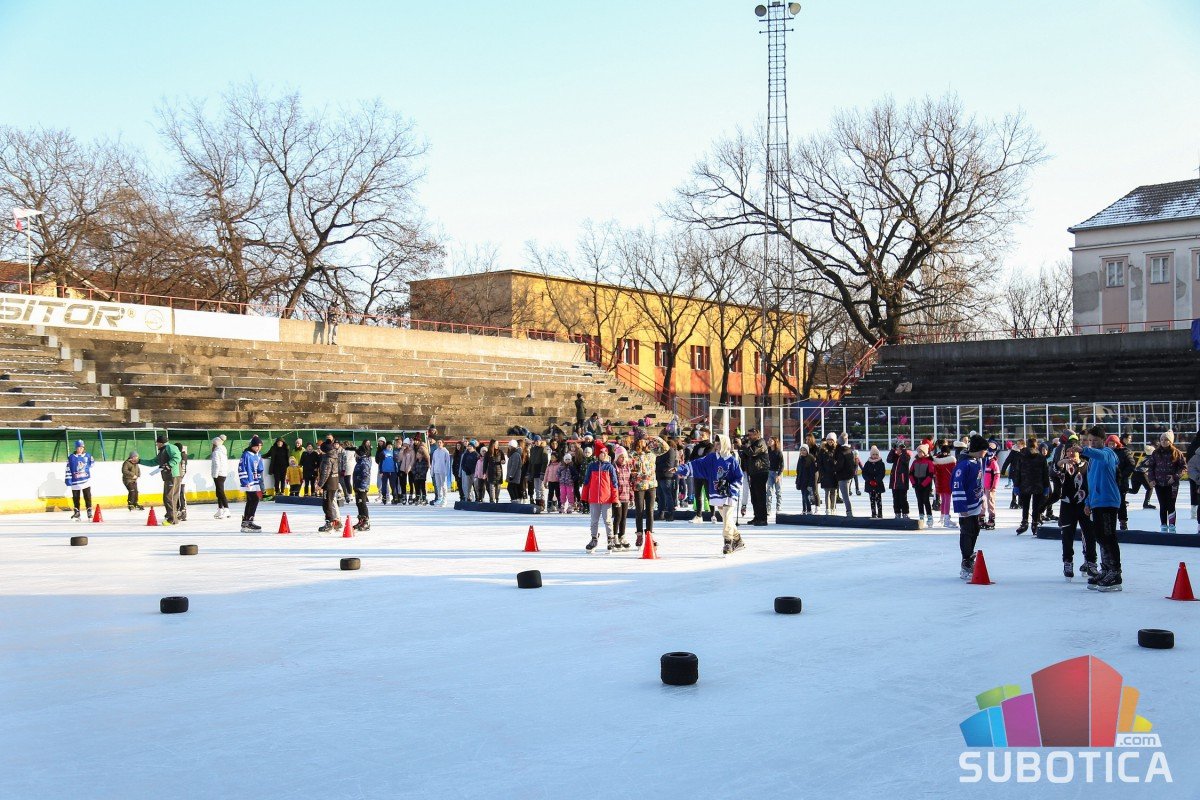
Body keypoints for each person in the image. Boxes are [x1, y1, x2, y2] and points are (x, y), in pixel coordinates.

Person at [677, 433, 746, 555]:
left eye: (719, 443)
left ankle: (728, 542)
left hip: (730, 494)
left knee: (727, 517)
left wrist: (732, 487)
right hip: (717, 493)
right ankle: (738, 539)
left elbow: (739, 477)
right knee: (726, 518)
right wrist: (680, 469)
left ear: (725, 444)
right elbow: (697, 464)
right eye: (716, 443)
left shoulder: (732, 460)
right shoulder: (711, 458)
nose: (717, 445)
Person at [1080, 429, 1123, 591]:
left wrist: (1083, 450)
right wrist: (1088, 502)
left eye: (1095, 440)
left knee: (1108, 536)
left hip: (1108, 501)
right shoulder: (1092, 459)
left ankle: (1115, 572)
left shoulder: (1108, 453)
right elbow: (1091, 482)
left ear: (1103, 441)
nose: (1092, 444)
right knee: (1100, 536)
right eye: (1090, 441)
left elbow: (1102, 456)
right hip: (1097, 502)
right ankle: (1106, 569)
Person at [1054, 444, 1098, 581]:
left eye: (1074, 451)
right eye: (1068, 451)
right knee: (1067, 535)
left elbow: (1092, 483)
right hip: (1067, 505)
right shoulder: (1063, 466)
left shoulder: (1087, 465)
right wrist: (1061, 462)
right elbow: (1054, 472)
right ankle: (1068, 562)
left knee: (1089, 535)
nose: (1071, 453)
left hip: (1084, 505)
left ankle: (1091, 562)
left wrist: (1091, 503)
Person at [951, 435, 989, 580]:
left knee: (975, 529)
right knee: (967, 532)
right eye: (984, 449)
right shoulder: (964, 465)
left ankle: (969, 556)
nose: (986, 452)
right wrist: (961, 507)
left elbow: (977, 483)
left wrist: (981, 499)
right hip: (966, 506)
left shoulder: (976, 461)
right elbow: (956, 485)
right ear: (978, 449)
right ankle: (966, 560)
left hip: (975, 504)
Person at [1144, 431, 1187, 533]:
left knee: (1171, 505)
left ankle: (1172, 524)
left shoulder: (1177, 453)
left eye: (1166, 439)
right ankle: (1163, 524)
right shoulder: (1156, 453)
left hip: (1172, 484)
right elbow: (1151, 467)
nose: (1163, 441)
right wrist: (1151, 479)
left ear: (1171, 441)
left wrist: (1175, 477)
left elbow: (1183, 468)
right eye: (1162, 439)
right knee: (1162, 504)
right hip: (1159, 483)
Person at [580, 445, 619, 552]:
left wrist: (615, 499)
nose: (604, 455)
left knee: (607, 520)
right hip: (593, 499)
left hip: (607, 499)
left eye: (605, 453)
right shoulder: (591, 466)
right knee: (594, 520)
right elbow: (586, 482)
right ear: (598, 454)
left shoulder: (610, 467)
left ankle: (610, 539)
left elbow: (614, 484)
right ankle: (594, 539)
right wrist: (584, 497)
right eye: (602, 453)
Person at [1014, 438, 1050, 535]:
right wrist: (1046, 486)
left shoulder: (1021, 456)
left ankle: (1024, 522)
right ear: (1036, 445)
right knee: (1036, 506)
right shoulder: (1041, 457)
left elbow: (1017, 472)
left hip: (1024, 485)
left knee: (1025, 505)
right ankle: (1035, 523)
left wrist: (1016, 485)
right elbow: (1045, 473)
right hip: (1038, 485)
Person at [743, 428, 770, 526]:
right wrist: (741, 447)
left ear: (757, 435)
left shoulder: (761, 442)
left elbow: (752, 452)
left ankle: (763, 519)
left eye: (750, 435)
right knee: (754, 497)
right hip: (753, 472)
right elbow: (745, 456)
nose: (749, 437)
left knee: (760, 496)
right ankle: (757, 517)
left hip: (761, 471)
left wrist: (744, 446)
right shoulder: (752, 444)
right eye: (748, 435)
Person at [238, 435, 265, 532]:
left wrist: (259, 476)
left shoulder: (258, 455)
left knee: (251, 500)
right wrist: (245, 481)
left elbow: (260, 468)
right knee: (254, 499)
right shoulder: (246, 455)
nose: (259, 448)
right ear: (252, 446)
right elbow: (241, 468)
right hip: (248, 482)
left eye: (260, 446)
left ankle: (246, 521)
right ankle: (249, 521)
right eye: (257, 446)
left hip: (255, 481)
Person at [154, 434, 182, 525]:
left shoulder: (170, 447)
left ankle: (172, 519)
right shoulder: (163, 451)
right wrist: (139, 461)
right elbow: (153, 461)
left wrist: (169, 465)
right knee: (167, 497)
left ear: (161, 443)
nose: (156, 445)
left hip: (173, 475)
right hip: (168, 476)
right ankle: (172, 517)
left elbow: (177, 457)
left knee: (170, 497)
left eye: (157, 443)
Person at [66, 439, 95, 521]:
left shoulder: (88, 456)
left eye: (82, 447)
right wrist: (68, 478)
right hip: (75, 480)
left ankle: (89, 511)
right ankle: (77, 512)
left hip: (85, 480)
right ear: (76, 448)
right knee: (76, 497)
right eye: (79, 447)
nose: (80, 449)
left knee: (87, 496)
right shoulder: (71, 457)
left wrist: (85, 470)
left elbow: (92, 464)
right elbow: (68, 468)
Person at [317, 440, 342, 532]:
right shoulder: (334, 456)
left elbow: (325, 473)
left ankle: (329, 522)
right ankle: (336, 521)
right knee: (331, 503)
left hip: (329, 484)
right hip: (334, 482)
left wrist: (320, 485)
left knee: (326, 504)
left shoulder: (327, 459)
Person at [932, 443, 958, 529]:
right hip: (947, 483)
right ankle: (946, 519)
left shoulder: (937, 461)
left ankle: (943, 517)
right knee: (947, 500)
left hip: (940, 483)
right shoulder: (951, 461)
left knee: (944, 500)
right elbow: (955, 472)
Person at [612, 446, 633, 550]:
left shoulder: (627, 467)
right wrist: (615, 497)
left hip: (626, 495)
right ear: (617, 457)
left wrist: (631, 496)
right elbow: (613, 484)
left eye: (624, 457)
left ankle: (622, 535)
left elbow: (630, 482)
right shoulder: (614, 468)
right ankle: (615, 536)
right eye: (621, 457)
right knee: (618, 516)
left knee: (624, 517)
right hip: (617, 496)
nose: (623, 459)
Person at [654, 436, 679, 522]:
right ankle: (660, 513)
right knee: (660, 496)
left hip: (667, 476)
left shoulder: (670, 450)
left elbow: (669, 464)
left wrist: (657, 466)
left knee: (668, 495)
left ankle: (670, 513)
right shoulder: (660, 451)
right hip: (660, 475)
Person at [910, 443, 935, 526]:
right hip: (917, 484)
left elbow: (930, 475)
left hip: (926, 485)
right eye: (918, 452)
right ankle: (921, 516)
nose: (919, 453)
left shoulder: (929, 462)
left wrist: (923, 484)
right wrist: (914, 483)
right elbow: (911, 473)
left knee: (926, 500)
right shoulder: (915, 462)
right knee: (919, 501)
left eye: (921, 452)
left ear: (925, 452)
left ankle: (929, 517)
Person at [816, 433, 841, 514]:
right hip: (826, 475)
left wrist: (837, 470)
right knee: (827, 492)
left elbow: (840, 461)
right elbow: (819, 463)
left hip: (834, 475)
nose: (830, 441)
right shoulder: (822, 450)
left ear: (834, 441)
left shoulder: (837, 450)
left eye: (832, 440)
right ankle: (827, 509)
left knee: (834, 492)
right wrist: (822, 473)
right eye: (829, 439)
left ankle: (833, 508)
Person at [886, 441, 912, 518]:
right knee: (895, 499)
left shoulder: (906, 456)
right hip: (894, 482)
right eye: (896, 448)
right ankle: (897, 512)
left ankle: (905, 513)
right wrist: (892, 450)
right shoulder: (895, 456)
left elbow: (905, 460)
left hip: (902, 482)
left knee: (903, 499)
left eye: (899, 449)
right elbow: (889, 460)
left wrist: (903, 451)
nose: (897, 450)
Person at [834, 435, 857, 517]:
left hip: (843, 476)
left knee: (845, 496)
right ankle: (848, 511)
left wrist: (834, 468)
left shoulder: (842, 452)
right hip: (849, 476)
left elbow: (839, 465)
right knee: (846, 495)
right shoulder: (849, 450)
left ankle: (849, 511)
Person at [981, 439, 1001, 530]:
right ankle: (981, 517)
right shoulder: (982, 461)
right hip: (982, 485)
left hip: (990, 487)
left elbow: (997, 475)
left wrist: (994, 486)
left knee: (990, 502)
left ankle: (991, 519)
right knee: (982, 502)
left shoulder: (993, 462)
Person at [861, 446, 886, 518]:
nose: (875, 456)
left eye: (876, 454)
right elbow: (864, 473)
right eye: (873, 454)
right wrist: (870, 480)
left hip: (878, 484)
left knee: (878, 499)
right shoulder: (867, 463)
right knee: (872, 499)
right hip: (870, 485)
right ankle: (873, 513)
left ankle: (880, 513)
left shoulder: (881, 463)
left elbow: (882, 473)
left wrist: (876, 480)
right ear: (871, 455)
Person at [352, 445, 372, 530]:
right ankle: (361, 520)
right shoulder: (360, 462)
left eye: (356, 454)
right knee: (359, 503)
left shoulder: (364, 462)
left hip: (362, 487)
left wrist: (363, 487)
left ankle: (366, 521)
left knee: (362, 504)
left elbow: (365, 475)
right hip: (357, 486)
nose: (355, 455)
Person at [210, 435, 230, 519]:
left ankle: (226, 509)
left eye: (213, 444)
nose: (212, 446)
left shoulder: (216, 452)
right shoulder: (223, 451)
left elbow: (217, 464)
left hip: (218, 474)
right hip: (223, 473)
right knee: (218, 492)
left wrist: (215, 475)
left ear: (215, 444)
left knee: (220, 492)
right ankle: (220, 509)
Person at [527, 435, 549, 512]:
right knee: (536, 488)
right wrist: (529, 472)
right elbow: (531, 461)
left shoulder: (543, 449)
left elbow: (545, 462)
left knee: (541, 488)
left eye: (538, 441)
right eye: (536, 441)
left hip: (540, 470)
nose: (537, 442)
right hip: (534, 470)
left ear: (540, 441)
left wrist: (542, 472)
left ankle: (542, 504)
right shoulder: (532, 449)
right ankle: (538, 503)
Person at [794, 445, 817, 513]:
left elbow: (812, 472)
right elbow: (798, 470)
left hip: (808, 481)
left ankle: (809, 510)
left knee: (806, 496)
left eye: (804, 450)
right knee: (803, 496)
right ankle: (804, 510)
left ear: (807, 450)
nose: (802, 451)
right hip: (801, 480)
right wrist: (797, 480)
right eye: (801, 450)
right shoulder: (800, 458)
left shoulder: (810, 458)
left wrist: (810, 483)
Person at [430, 439, 452, 507]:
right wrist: (432, 471)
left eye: (440, 442)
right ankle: (439, 498)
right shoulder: (435, 452)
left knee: (443, 485)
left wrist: (447, 471)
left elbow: (448, 462)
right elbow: (433, 462)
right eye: (438, 442)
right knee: (438, 485)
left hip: (443, 471)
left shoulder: (445, 451)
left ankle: (444, 499)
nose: (439, 444)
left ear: (443, 443)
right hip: (436, 470)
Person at [766, 437, 784, 514]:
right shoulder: (767, 451)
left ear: (775, 442)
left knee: (778, 491)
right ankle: (768, 508)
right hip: (769, 473)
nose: (769, 442)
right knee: (769, 491)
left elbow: (782, 465)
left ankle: (778, 507)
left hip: (777, 473)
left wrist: (779, 475)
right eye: (769, 440)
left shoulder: (778, 452)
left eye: (771, 440)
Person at [397, 439, 415, 505]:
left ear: (408, 444)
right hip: (403, 469)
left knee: (411, 483)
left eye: (405, 444)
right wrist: (402, 450)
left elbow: (412, 460)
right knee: (403, 483)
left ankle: (411, 496)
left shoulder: (412, 451)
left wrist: (409, 468)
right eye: (403, 444)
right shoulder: (403, 451)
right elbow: (399, 459)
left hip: (410, 469)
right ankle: (404, 496)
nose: (404, 445)